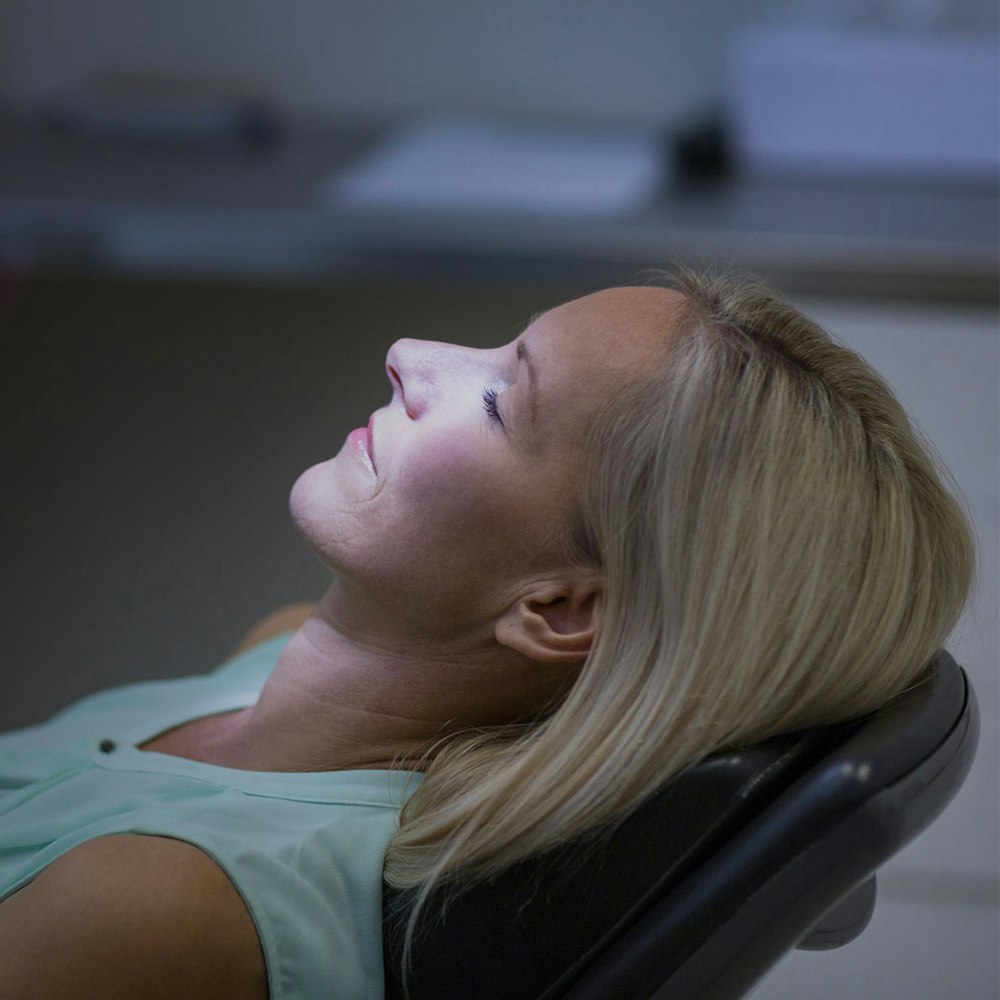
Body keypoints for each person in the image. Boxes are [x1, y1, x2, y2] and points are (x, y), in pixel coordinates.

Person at [0, 268, 975, 1000]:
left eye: (502, 398)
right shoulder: (275, 652)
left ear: (557, 608)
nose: (409, 351)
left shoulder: (155, 905)